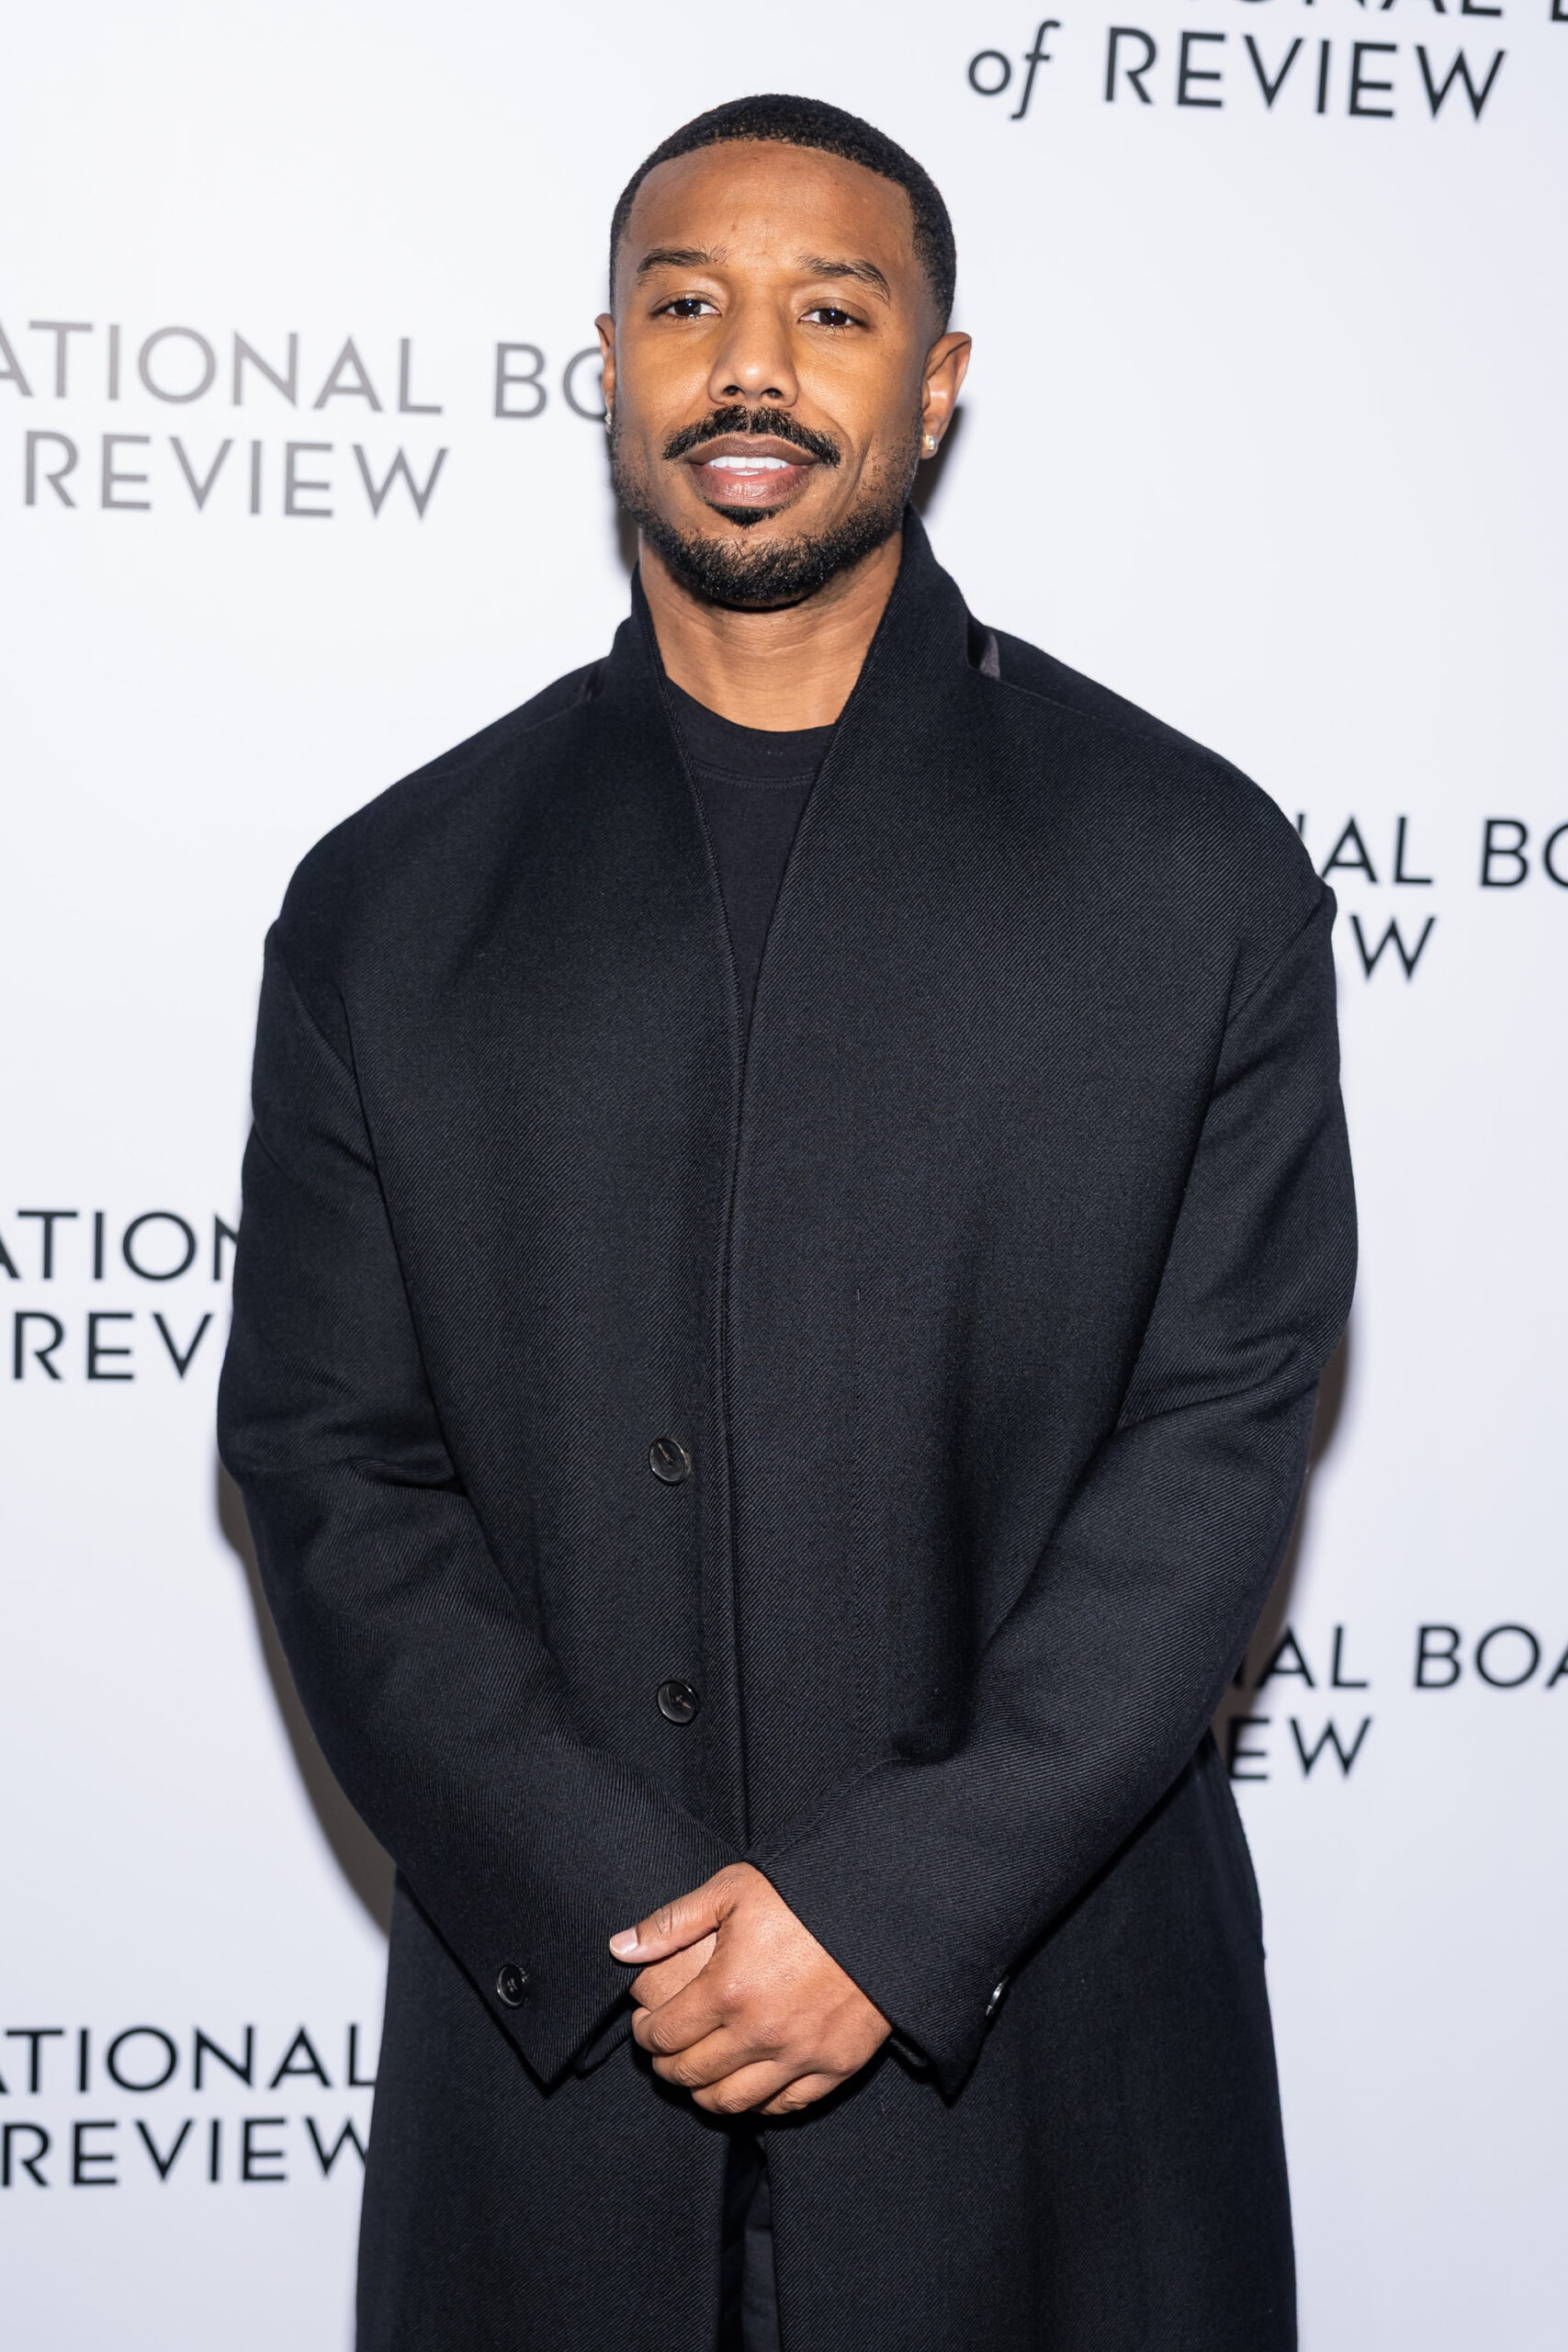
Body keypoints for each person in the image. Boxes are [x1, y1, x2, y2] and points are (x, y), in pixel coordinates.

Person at [218, 92, 1355, 2352]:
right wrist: (624, 1908)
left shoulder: (1188, 869)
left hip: (1056, 2087)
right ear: (607, 367)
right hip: (552, 2100)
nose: (750, 365)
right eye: (685, 304)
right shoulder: (391, 902)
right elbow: (331, 1466)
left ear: (935, 382)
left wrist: (891, 1907)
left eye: (830, 313)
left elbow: (1216, 1433)